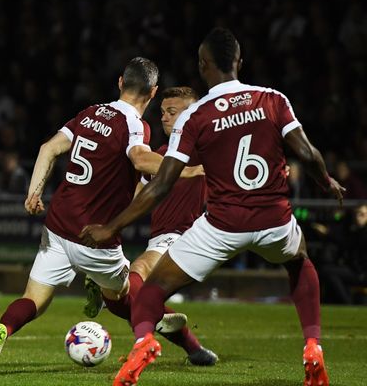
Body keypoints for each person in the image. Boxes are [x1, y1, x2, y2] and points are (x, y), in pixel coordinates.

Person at [80, 28, 344, 386]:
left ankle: (144, 343)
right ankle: (313, 346)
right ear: (239, 61)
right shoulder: (273, 99)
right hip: (275, 219)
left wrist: (110, 228)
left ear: (203, 65)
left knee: (151, 291)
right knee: (299, 263)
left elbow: (161, 186)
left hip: (222, 226)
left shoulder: (197, 116)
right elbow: (308, 153)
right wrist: (325, 181)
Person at [0, 57, 203, 377]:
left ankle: (0, 332)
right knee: (127, 295)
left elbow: (48, 148)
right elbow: (140, 159)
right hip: (93, 236)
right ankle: (154, 324)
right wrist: (189, 169)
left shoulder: (90, 113)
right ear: (153, 93)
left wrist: (34, 192)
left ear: (121, 83)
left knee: (34, 300)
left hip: (57, 226)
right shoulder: (135, 124)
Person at [83, 86, 217, 366]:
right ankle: (193, 348)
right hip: (162, 238)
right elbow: (137, 199)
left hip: (189, 236)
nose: (165, 118)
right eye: (163, 112)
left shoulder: (207, 149)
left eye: (172, 112)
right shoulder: (161, 155)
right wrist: (108, 228)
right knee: (119, 299)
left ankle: (143, 345)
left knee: (139, 272)